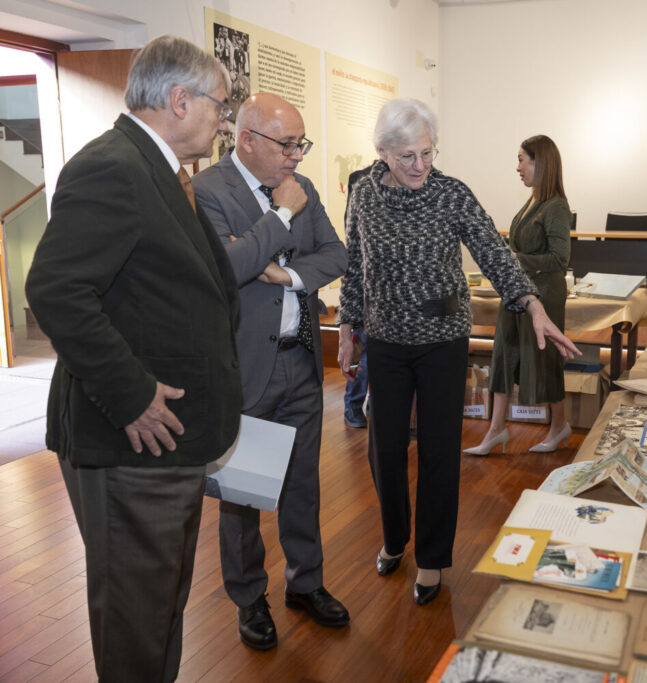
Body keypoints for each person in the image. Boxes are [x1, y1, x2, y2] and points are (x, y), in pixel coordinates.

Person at [23, 35, 241, 682]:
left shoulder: (161, 170)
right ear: (179, 100)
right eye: (221, 105)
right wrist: (133, 394)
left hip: (165, 446)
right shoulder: (113, 166)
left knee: (159, 610)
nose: (224, 119)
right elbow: (56, 290)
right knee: (135, 625)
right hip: (129, 442)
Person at [338, 98, 579, 606]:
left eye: (427, 153)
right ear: (382, 153)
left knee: (439, 448)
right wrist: (347, 328)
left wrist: (532, 304)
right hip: (384, 340)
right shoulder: (363, 196)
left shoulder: (451, 194)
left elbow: (495, 253)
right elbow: (354, 266)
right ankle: (394, 537)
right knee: (384, 449)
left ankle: (430, 559)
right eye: (406, 156)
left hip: (443, 340)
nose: (420, 166)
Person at [193, 92, 349, 650]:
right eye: (288, 144)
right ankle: (248, 597)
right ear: (249, 139)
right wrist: (281, 214)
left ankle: (305, 585)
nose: (297, 156)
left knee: (303, 486)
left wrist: (286, 276)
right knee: (241, 496)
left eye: (301, 144)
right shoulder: (209, 191)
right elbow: (229, 266)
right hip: (243, 370)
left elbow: (337, 253)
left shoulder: (301, 187)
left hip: (300, 362)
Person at [465, 135, 572, 455]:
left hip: (546, 294)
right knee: (503, 354)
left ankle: (559, 426)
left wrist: (515, 259)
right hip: (517, 290)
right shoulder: (533, 201)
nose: (518, 167)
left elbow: (560, 259)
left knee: (545, 358)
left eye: (522, 159)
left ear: (541, 162)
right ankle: (495, 431)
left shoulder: (556, 206)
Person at [342, 167, 373, 429]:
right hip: (362, 295)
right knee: (363, 356)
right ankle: (353, 405)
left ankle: (372, 404)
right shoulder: (359, 181)